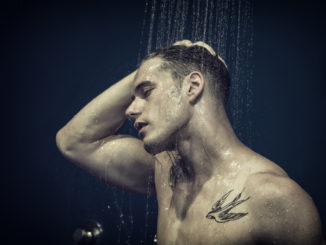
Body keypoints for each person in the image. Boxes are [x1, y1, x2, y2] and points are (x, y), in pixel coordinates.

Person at [56, 40, 324, 245]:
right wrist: (151, 67)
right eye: (133, 95)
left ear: (192, 87)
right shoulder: (165, 170)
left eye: (146, 92)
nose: (130, 109)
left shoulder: (274, 198)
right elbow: (73, 141)